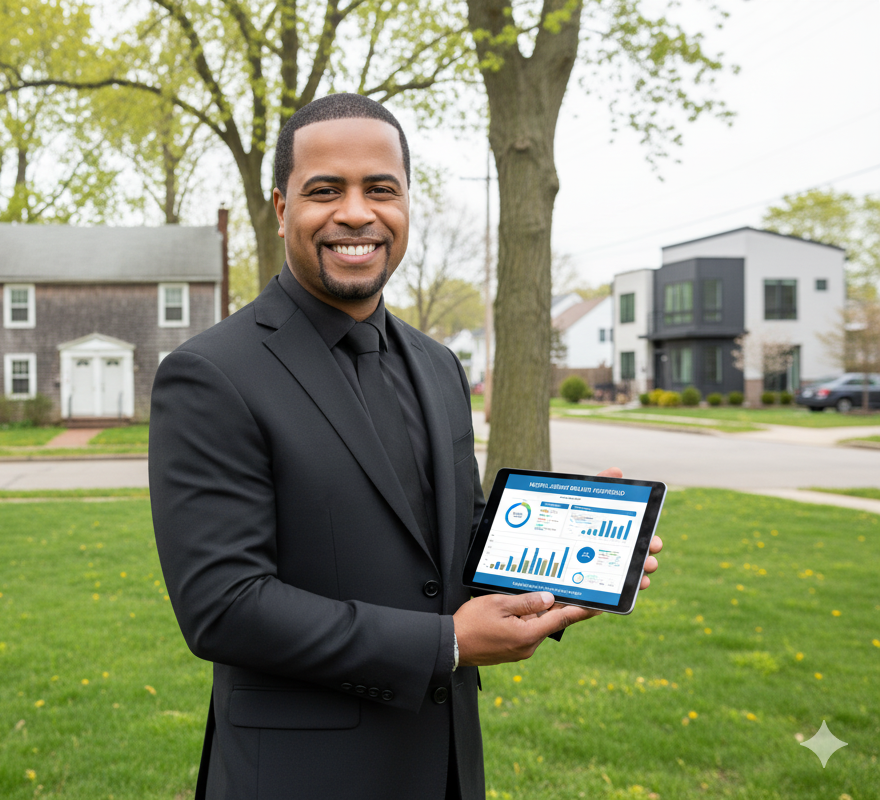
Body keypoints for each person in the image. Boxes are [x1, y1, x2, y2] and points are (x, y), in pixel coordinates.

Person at [148, 93, 662, 800]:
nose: (356, 213)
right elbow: (224, 605)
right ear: (279, 207)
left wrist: (575, 561)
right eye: (324, 190)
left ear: (406, 204)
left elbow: (453, 555)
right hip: (300, 778)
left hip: (444, 766)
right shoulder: (212, 374)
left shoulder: (437, 364)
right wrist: (446, 644)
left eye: (380, 189)